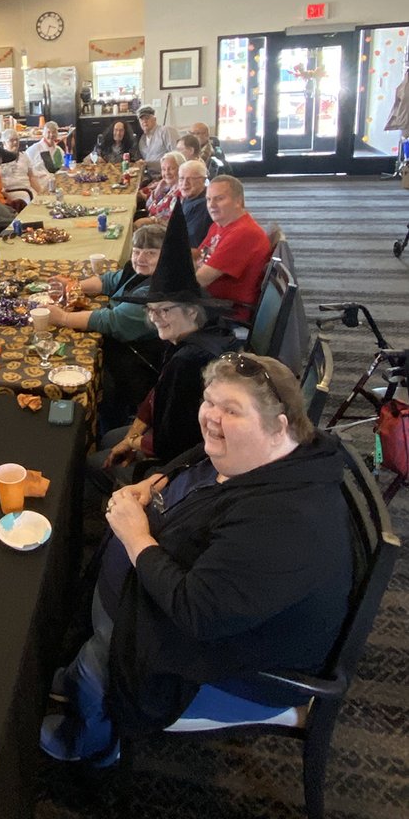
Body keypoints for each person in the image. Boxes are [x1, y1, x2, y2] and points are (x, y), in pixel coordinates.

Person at [41, 353, 353, 764]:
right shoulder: (274, 453)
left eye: (232, 410)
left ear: (279, 428)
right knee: (103, 631)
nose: (211, 417)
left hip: (236, 668)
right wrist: (156, 483)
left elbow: (198, 612)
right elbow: (201, 457)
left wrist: (135, 538)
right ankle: (80, 676)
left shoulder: (285, 523)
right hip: (210, 610)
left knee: (111, 647)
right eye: (210, 401)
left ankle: (92, 740)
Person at [88, 205, 238, 493]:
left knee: (94, 463)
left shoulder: (190, 360)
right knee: (109, 439)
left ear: (193, 312)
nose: (155, 317)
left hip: (193, 464)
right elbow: (159, 393)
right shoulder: (195, 335)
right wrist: (134, 431)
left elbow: (176, 442)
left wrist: (134, 443)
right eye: (152, 310)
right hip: (181, 437)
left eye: (165, 310)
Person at [44, 224, 166, 430]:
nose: (140, 258)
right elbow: (109, 281)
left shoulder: (157, 288)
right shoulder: (139, 270)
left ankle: (104, 424)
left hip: (136, 360)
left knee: (84, 366)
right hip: (126, 346)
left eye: (151, 253)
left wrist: (63, 318)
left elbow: (112, 321)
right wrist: (73, 286)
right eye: (136, 251)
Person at [196, 175, 271, 321]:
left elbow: (200, 280)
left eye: (219, 199)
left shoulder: (243, 233)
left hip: (224, 312)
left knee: (147, 304)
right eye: (208, 199)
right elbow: (198, 257)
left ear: (238, 201)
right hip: (207, 300)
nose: (211, 205)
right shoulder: (219, 225)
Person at [135, 151, 184, 226]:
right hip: (150, 223)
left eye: (171, 168)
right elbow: (148, 206)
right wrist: (157, 190)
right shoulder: (167, 187)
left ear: (181, 168)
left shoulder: (182, 192)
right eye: (163, 169)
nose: (167, 172)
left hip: (160, 231)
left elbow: (172, 221)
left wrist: (152, 220)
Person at [0, 127, 42, 201]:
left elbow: (32, 177)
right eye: (11, 140)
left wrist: (41, 193)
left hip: (27, 190)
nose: (15, 143)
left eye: (17, 140)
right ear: (4, 143)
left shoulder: (24, 156)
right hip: (10, 192)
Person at [177, 158, 212, 247]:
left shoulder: (204, 205)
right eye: (181, 178)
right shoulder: (189, 197)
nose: (185, 183)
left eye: (191, 179)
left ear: (203, 180)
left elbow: (192, 241)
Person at [136, 106, 178, 176]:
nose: (144, 121)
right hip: (150, 177)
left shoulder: (166, 131)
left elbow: (177, 156)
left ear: (154, 119)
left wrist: (148, 163)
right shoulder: (142, 140)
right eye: (141, 119)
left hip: (167, 176)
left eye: (147, 118)